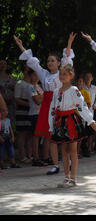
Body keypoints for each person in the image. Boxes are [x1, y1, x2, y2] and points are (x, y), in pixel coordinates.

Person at [14, 33, 76, 175]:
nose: (49, 63)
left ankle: (69, 161)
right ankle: (55, 164)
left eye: (52, 60)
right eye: (48, 61)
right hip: (47, 106)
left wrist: (69, 43)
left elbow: (67, 59)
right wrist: (20, 45)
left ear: (58, 63)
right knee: (51, 138)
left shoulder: (62, 73)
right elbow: (32, 61)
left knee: (64, 136)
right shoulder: (44, 74)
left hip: (60, 103)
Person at [49, 65, 96, 188]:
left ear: (71, 76)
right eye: (61, 74)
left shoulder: (74, 90)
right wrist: (51, 125)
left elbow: (81, 106)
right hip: (60, 122)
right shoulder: (56, 92)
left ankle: (73, 178)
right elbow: (52, 109)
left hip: (71, 120)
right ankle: (66, 177)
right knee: (63, 150)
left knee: (73, 150)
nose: (62, 76)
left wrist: (90, 120)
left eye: (65, 74)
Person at [27, 68, 47, 167]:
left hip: (41, 113)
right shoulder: (31, 87)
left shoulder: (39, 87)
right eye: (34, 75)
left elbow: (43, 98)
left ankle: (43, 157)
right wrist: (44, 96)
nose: (36, 77)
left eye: (37, 75)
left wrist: (42, 96)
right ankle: (35, 158)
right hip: (34, 113)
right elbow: (38, 101)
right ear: (30, 76)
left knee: (41, 136)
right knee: (36, 136)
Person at [14, 65, 33, 163]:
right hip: (22, 110)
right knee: (23, 133)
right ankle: (22, 156)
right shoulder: (19, 83)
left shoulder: (34, 84)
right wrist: (30, 104)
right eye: (26, 69)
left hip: (32, 111)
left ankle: (30, 155)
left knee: (30, 133)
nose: (28, 71)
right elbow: (17, 99)